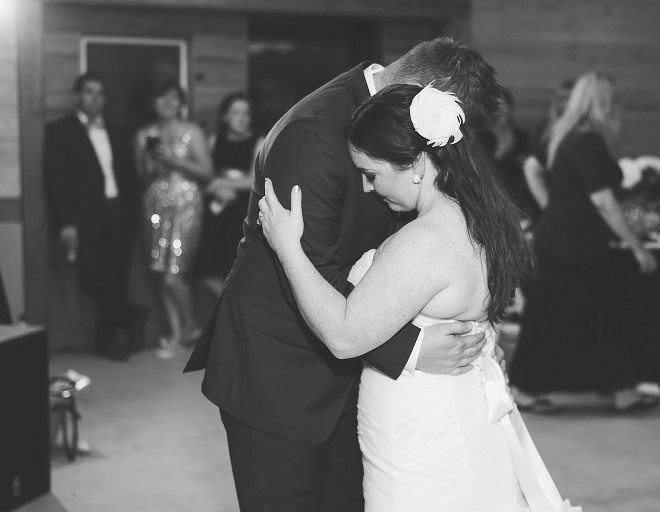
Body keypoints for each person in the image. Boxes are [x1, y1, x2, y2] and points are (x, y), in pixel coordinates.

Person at [184, 37, 505, 512]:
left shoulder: (401, 141)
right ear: (421, 103)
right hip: (281, 375)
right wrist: (412, 348)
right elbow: (307, 270)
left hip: (353, 377)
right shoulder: (313, 135)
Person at [258, 83, 578, 511]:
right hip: (465, 409)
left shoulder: (423, 241)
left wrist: (288, 249)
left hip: (421, 428)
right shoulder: (483, 218)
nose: (367, 188)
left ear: (415, 164)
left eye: (371, 173)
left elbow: (344, 337)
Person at [508, 71, 660, 414]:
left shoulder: (564, 134)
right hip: (573, 246)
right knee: (554, 318)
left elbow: (534, 169)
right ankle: (523, 388)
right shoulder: (588, 140)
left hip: (570, 241)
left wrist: (552, 206)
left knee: (600, 317)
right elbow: (604, 202)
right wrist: (637, 247)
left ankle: (621, 390)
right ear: (605, 104)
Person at [43, 72, 142, 361]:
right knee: (92, 279)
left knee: (116, 279)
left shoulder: (118, 130)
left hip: (120, 214)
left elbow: (129, 173)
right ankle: (131, 313)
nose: (95, 98)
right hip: (84, 218)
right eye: (89, 92)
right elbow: (56, 180)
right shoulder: (59, 130)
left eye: (100, 93)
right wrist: (66, 223)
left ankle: (107, 342)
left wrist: (131, 208)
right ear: (77, 96)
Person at [134, 81, 213, 359]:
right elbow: (142, 175)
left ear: (181, 103)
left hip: (186, 201)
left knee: (173, 273)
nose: (167, 103)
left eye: (173, 98)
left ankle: (190, 325)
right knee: (160, 270)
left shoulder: (192, 132)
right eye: (161, 97)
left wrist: (174, 160)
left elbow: (206, 172)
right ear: (153, 102)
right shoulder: (144, 134)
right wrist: (152, 160)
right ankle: (176, 333)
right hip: (155, 202)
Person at [194, 92, 264, 295]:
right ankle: (224, 301)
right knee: (207, 266)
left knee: (236, 263)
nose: (242, 118)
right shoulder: (214, 140)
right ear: (224, 116)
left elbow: (253, 179)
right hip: (216, 208)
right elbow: (204, 178)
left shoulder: (258, 141)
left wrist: (220, 183)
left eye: (246, 113)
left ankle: (234, 304)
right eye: (236, 113)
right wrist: (216, 188)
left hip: (243, 209)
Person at [479, 88, 536, 220]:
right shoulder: (481, 139)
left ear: (510, 108)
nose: (500, 111)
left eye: (503, 106)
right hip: (488, 205)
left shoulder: (522, 138)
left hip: (519, 206)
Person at [523, 79, 574, 213]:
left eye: (569, 98)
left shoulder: (582, 129)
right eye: (561, 98)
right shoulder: (545, 126)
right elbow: (534, 163)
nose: (564, 103)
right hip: (548, 188)